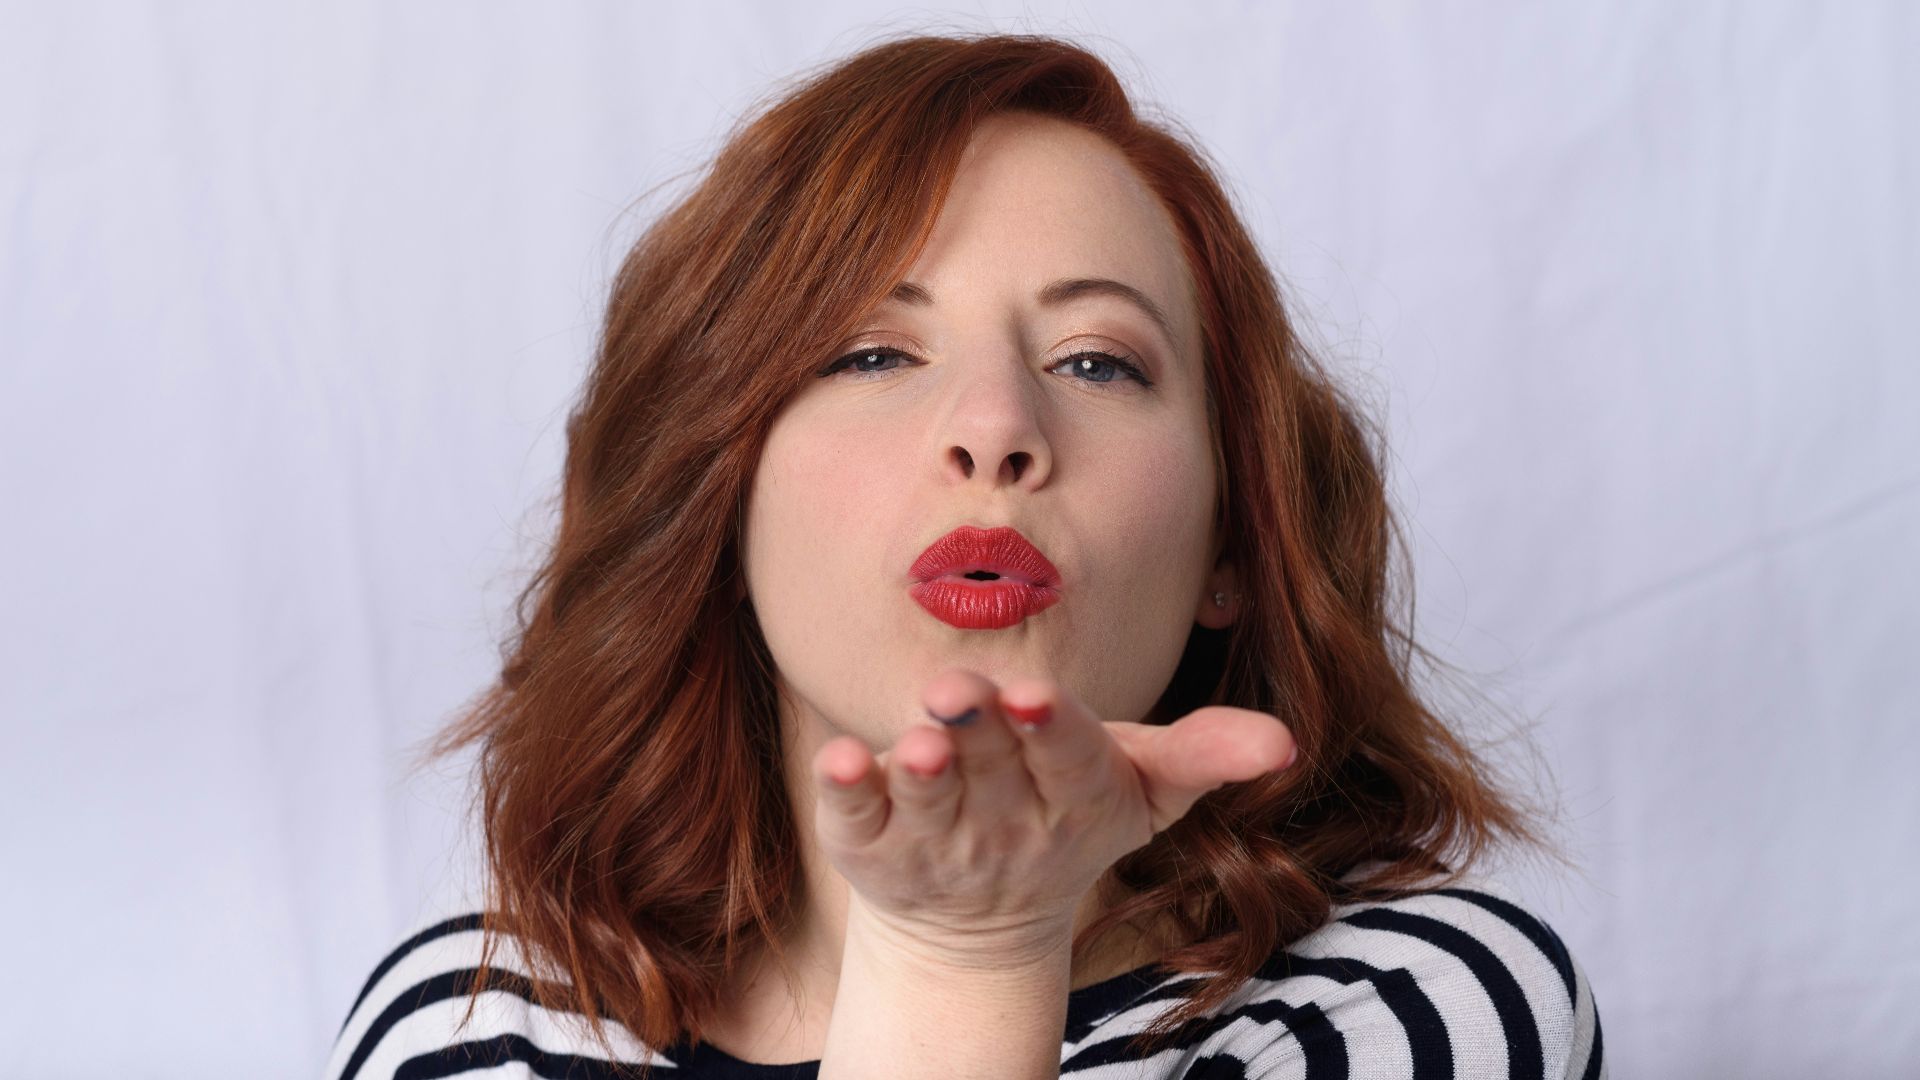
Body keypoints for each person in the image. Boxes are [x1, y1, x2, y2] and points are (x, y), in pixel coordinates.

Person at [325, 30, 1606, 1080]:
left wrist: (973, 954)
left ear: (1235, 537)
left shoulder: (1416, 1008)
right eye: (872, 353)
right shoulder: (475, 1027)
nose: (997, 427)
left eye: (1097, 362)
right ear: (713, 503)